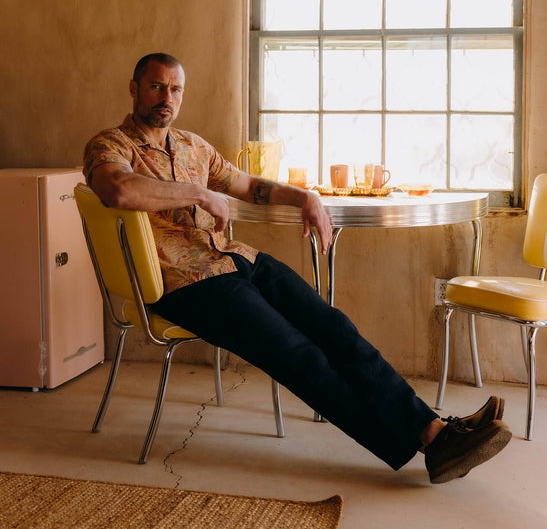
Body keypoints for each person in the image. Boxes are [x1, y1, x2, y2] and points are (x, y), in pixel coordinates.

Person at [83, 52, 511, 483]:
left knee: (333, 327)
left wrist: (305, 197)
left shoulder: (193, 145)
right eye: (157, 86)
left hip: (234, 259)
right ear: (135, 88)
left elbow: (248, 186)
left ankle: (434, 431)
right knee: (298, 354)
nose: (166, 98)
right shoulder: (110, 146)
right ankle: (429, 440)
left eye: (175, 89)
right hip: (185, 282)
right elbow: (117, 189)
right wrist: (195, 194)